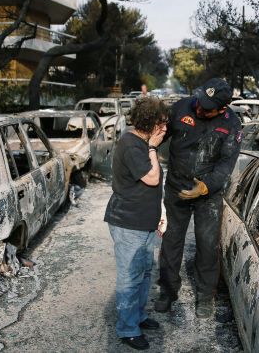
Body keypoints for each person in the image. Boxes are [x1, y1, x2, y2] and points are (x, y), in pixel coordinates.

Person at [155, 78, 242, 318]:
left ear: (222, 108)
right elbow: (158, 137)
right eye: (200, 101)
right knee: (171, 242)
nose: (199, 108)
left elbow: (226, 165)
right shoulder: (181, 108)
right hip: (176, 190)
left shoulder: (232, 124)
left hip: (208, 196)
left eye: (207, 107)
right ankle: (168, 292)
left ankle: (205, 297)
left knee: (207, 246)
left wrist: (204, 187)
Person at [104, 97, 169, 350]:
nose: (165, 129)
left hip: (144, 222)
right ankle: (127, 329)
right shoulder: (133, 145)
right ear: (149, 123)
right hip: (128, 222)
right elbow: (152, 179)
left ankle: (138, 317)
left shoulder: (141, 141)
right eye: (161, 124)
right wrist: (153, 148)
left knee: (144, 274)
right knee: (130, 278)